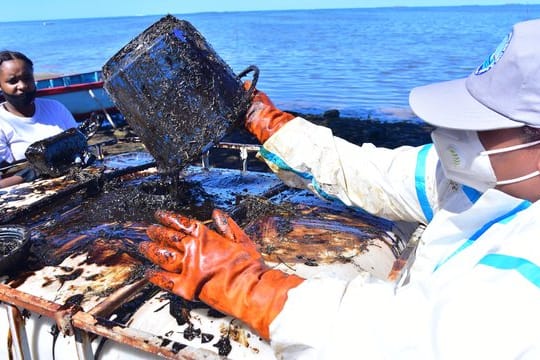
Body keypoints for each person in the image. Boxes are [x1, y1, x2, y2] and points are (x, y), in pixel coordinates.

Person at [139, 19, 540, 358]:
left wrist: (254, 287)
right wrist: (267, 122)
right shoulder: (486, 176)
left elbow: (414, 342)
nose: (456, 134)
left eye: (484, 126)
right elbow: (372, 173)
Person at [0, 50, 77, 188]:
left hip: (72, 183)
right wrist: (34, 172)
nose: (23, 86)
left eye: (27, 78)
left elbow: (80, 145)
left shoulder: (55, 108)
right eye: (12, 81)